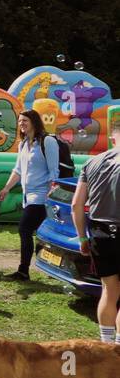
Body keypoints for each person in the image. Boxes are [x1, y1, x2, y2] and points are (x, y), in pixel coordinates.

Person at [0, 109, 59, 281]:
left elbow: (54, 171)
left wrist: (49, 195)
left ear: (34, 122)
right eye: (19, 121)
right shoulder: (23, 143)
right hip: (28, 196)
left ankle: (23, 271)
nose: (21, 124)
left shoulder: (47, 142)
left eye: (25, 120)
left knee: (25, 229)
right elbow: (18, 170)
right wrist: (6, 188)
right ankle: (54, 268)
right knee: (43, 235)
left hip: (41, 196)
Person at [73, 119, 120, 343]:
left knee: (109, 291)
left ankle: (106, 345)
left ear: (113, 138)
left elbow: (76, 205)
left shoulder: (91, 163)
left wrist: (82, 237)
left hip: (100, 233)